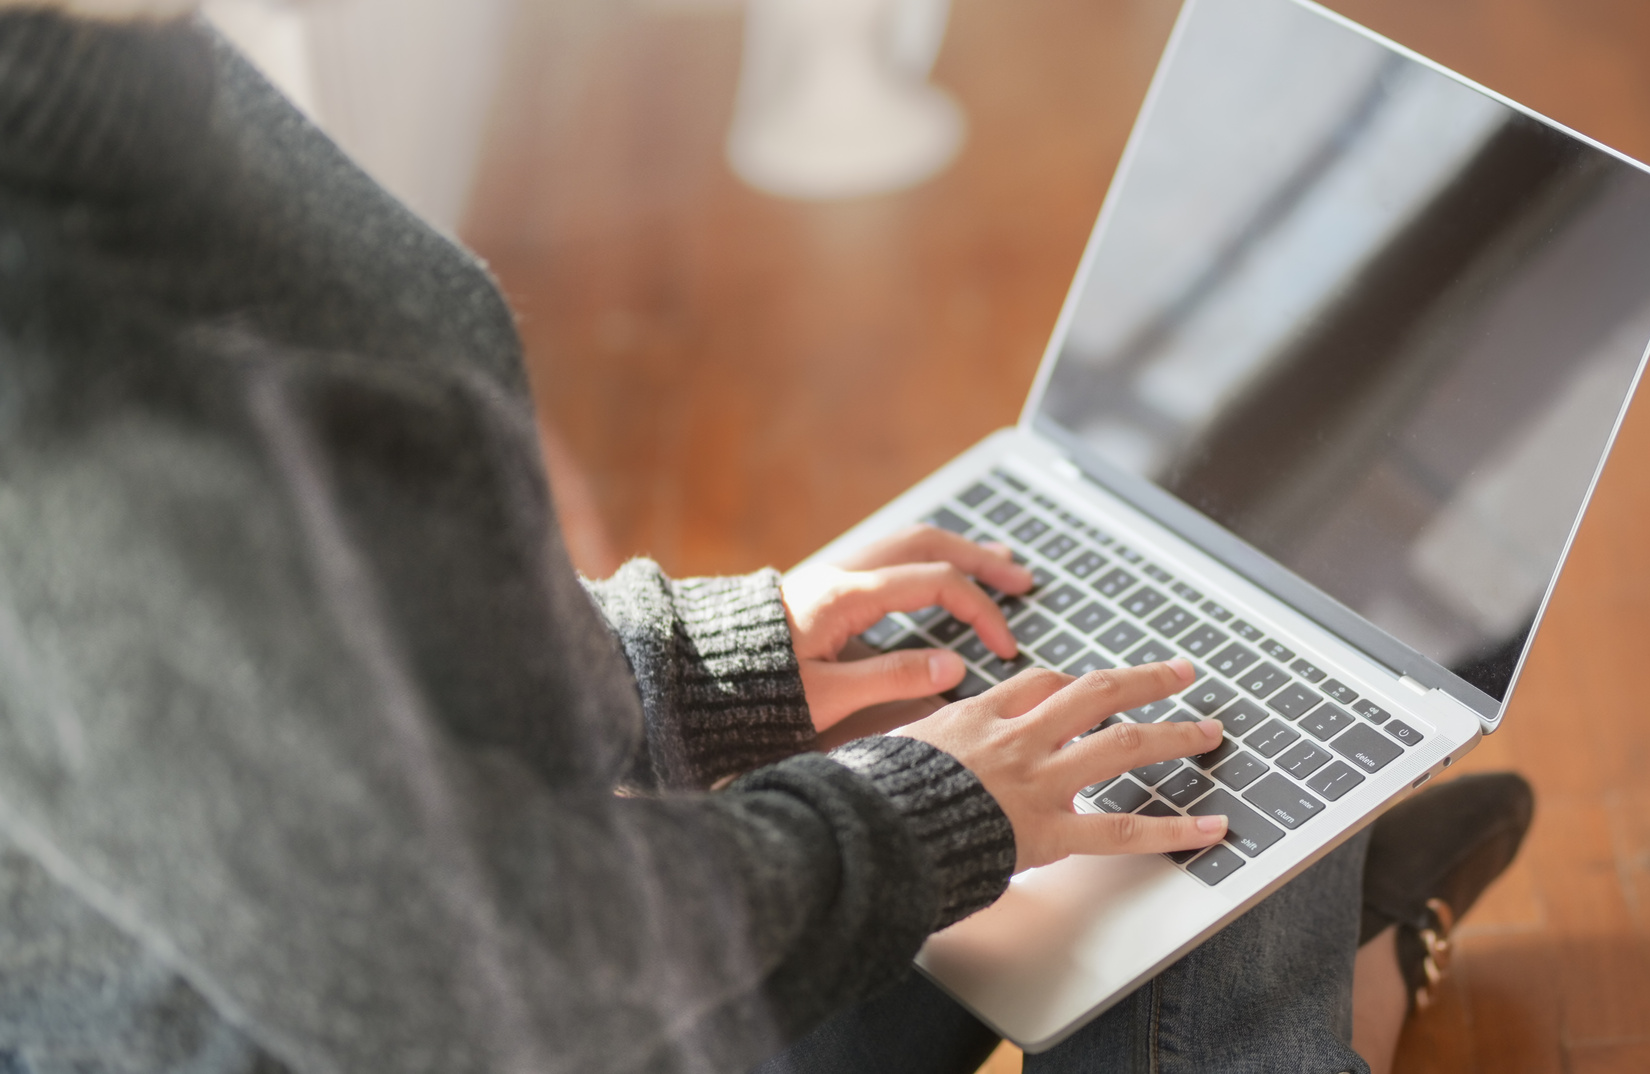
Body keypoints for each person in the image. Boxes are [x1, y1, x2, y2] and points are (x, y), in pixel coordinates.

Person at [0, 6, 1532, 1073]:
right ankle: (1339, 971)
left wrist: (688, 658)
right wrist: (930, 821)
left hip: (456, 945)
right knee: (1179, 801)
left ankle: (1298, 943)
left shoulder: (105, 62)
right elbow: (474, 982)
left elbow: (319, 671)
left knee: (1137, 741)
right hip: (494, 1010)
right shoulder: (60, 435)